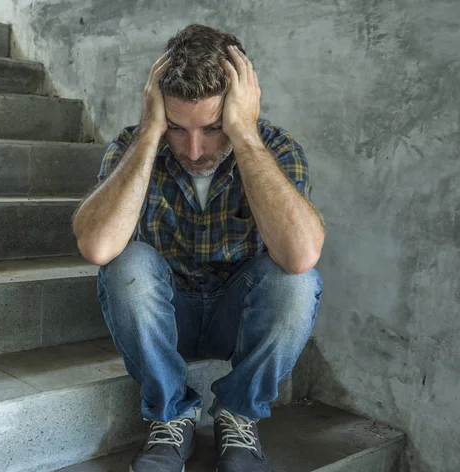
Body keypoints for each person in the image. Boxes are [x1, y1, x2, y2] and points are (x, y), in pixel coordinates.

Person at [73, 23, 325, 472]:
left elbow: (300, 255)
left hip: (238, 316)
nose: (193, 149)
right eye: (176, 127)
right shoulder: (136, 146)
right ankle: (171, 414)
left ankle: (239, 413)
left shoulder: (276, 148)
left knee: (298, 281)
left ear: (239, 108)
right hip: (167, 316)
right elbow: (96, 246)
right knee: (123, 263)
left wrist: (244, 136)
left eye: (211, 128)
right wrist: (150, 135)